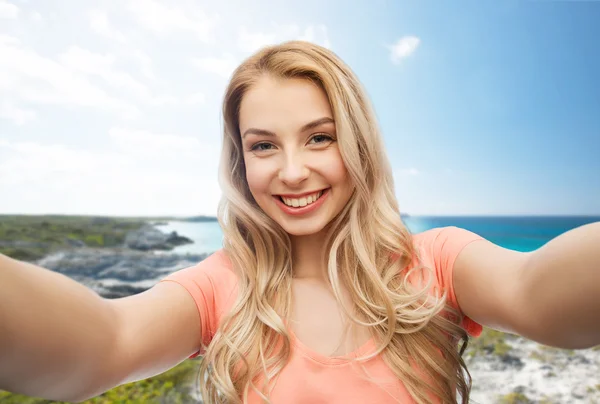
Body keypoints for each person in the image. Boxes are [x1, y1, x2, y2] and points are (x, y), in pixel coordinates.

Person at [0, 41, 599, 404]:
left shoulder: (437, 261)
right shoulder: (220, 287)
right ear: (241, 161)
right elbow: (101, 345)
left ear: (359, 144)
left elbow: (540, 297)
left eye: (319, 138)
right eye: (263, 146)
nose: (291, 171)